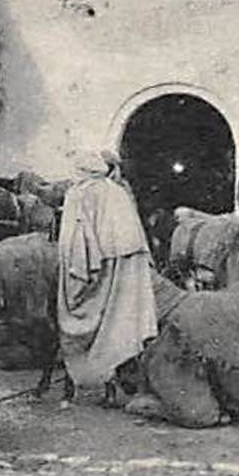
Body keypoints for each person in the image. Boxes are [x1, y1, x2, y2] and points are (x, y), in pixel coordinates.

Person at [57, 148, 159, 405]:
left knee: (97, 320)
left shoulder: (79, 194)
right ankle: (126, 379)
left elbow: (75, 244)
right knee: (124, 323)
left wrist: (76, 277)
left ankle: (101, 378)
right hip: (130, 263)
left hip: (102, 263)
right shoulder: (117, 191)